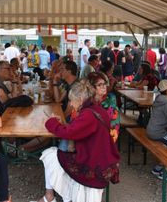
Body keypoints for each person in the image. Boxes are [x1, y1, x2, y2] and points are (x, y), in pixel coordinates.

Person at [38, 73, 120, 202]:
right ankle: (64, 197)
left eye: (72, 100)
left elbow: (70, 133)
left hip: (94, 163)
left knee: (50, 155)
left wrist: (51, 122)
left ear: (80, 100)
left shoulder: (88, 114)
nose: (70, 104)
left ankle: (56, 197)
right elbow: (76, 129)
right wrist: (60, 124)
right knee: (55, 154)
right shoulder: (95, 109)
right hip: (100, 159)